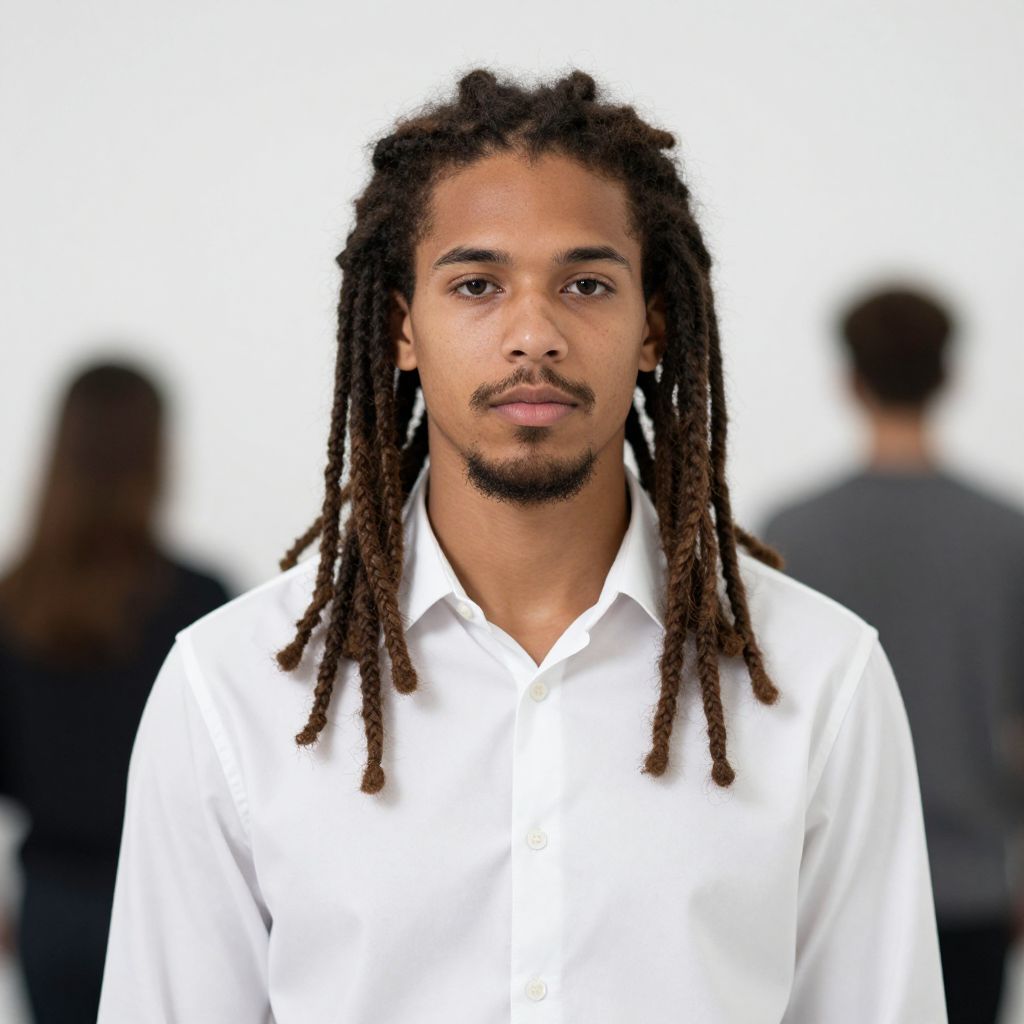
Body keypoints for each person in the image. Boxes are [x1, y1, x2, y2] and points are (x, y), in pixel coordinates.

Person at [97, 70, 948, 1022]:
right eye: (477, 285)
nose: (533, 335)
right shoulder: (233, 690)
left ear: (653, 328)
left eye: (586, 285)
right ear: (403, 328)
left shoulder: (821, 680)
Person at [761, 286, 1024, 1024]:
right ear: (949, 378)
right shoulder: (1005, 533)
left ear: (851, 381)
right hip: (969, 883)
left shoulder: (795, 530)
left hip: (823, 884)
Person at [0, 361, 231, 1024]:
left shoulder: (13, 600)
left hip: (53, 910)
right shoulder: (200, 603)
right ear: (156, 453)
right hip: (172, 905)